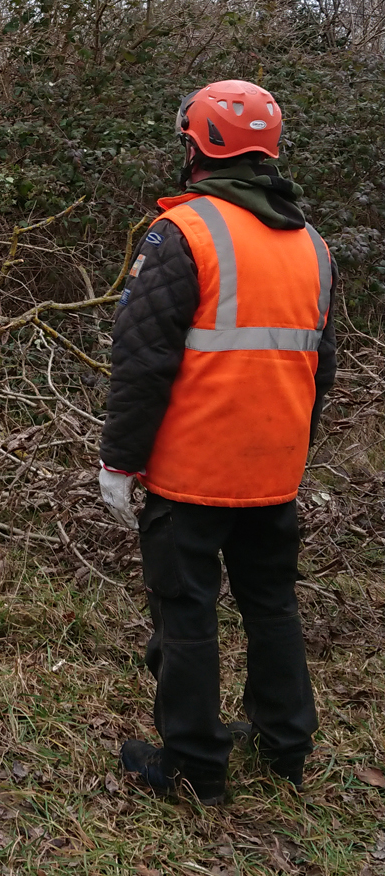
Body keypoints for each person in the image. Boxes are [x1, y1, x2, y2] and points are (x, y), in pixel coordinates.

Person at [98, 80, 336, 804]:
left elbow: (142, 361)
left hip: (192, 471)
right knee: (272, 606)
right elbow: (321, 371)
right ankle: (285, 746)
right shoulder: (313, 246)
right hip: (275, 471)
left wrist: (119, 460)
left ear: (197, 146)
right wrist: (292, 452)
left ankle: (195, 766)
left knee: (187, 611)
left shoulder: (185, 232)